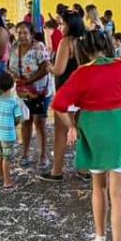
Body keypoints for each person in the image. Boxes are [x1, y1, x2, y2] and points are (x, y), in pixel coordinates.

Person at [52, 30, 121, 241]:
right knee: (118, 194)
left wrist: (72, 127)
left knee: (98, 187)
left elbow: (58, 104)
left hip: (93, 134)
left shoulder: (81, 73)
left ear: (82, 50)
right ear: (107, 45)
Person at [41, 10, 85, 182]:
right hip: (82, 91)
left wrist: (48, 67)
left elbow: (59, 70)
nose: (60, 27)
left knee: (61, 132)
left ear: (70, 25)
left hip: (66, 91)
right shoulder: (84, 41)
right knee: (81, 130)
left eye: (62, 24)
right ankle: (84, 169)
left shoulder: (66, 42)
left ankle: (57, 170)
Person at [8, 22, 50, 167]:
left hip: (39, 90)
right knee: (25, 121)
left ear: (31, 34)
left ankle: (43, 155)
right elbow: (9, 66)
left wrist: (29, 81)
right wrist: (14, 76)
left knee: (39, 122)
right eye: (19, 33)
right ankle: (25, 153)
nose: (22, 36)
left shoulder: (39, 47)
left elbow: (45, 68)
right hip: (22, 92)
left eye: (25, 33)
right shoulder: (14, 47)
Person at [0, 72, 22, 189]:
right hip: (8, 134)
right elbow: (18, 118)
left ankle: (1, 175)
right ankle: (7, 181)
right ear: (12, 85)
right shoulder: (13, 102)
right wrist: (14, 124)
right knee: (7, 158)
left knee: (0, 155)